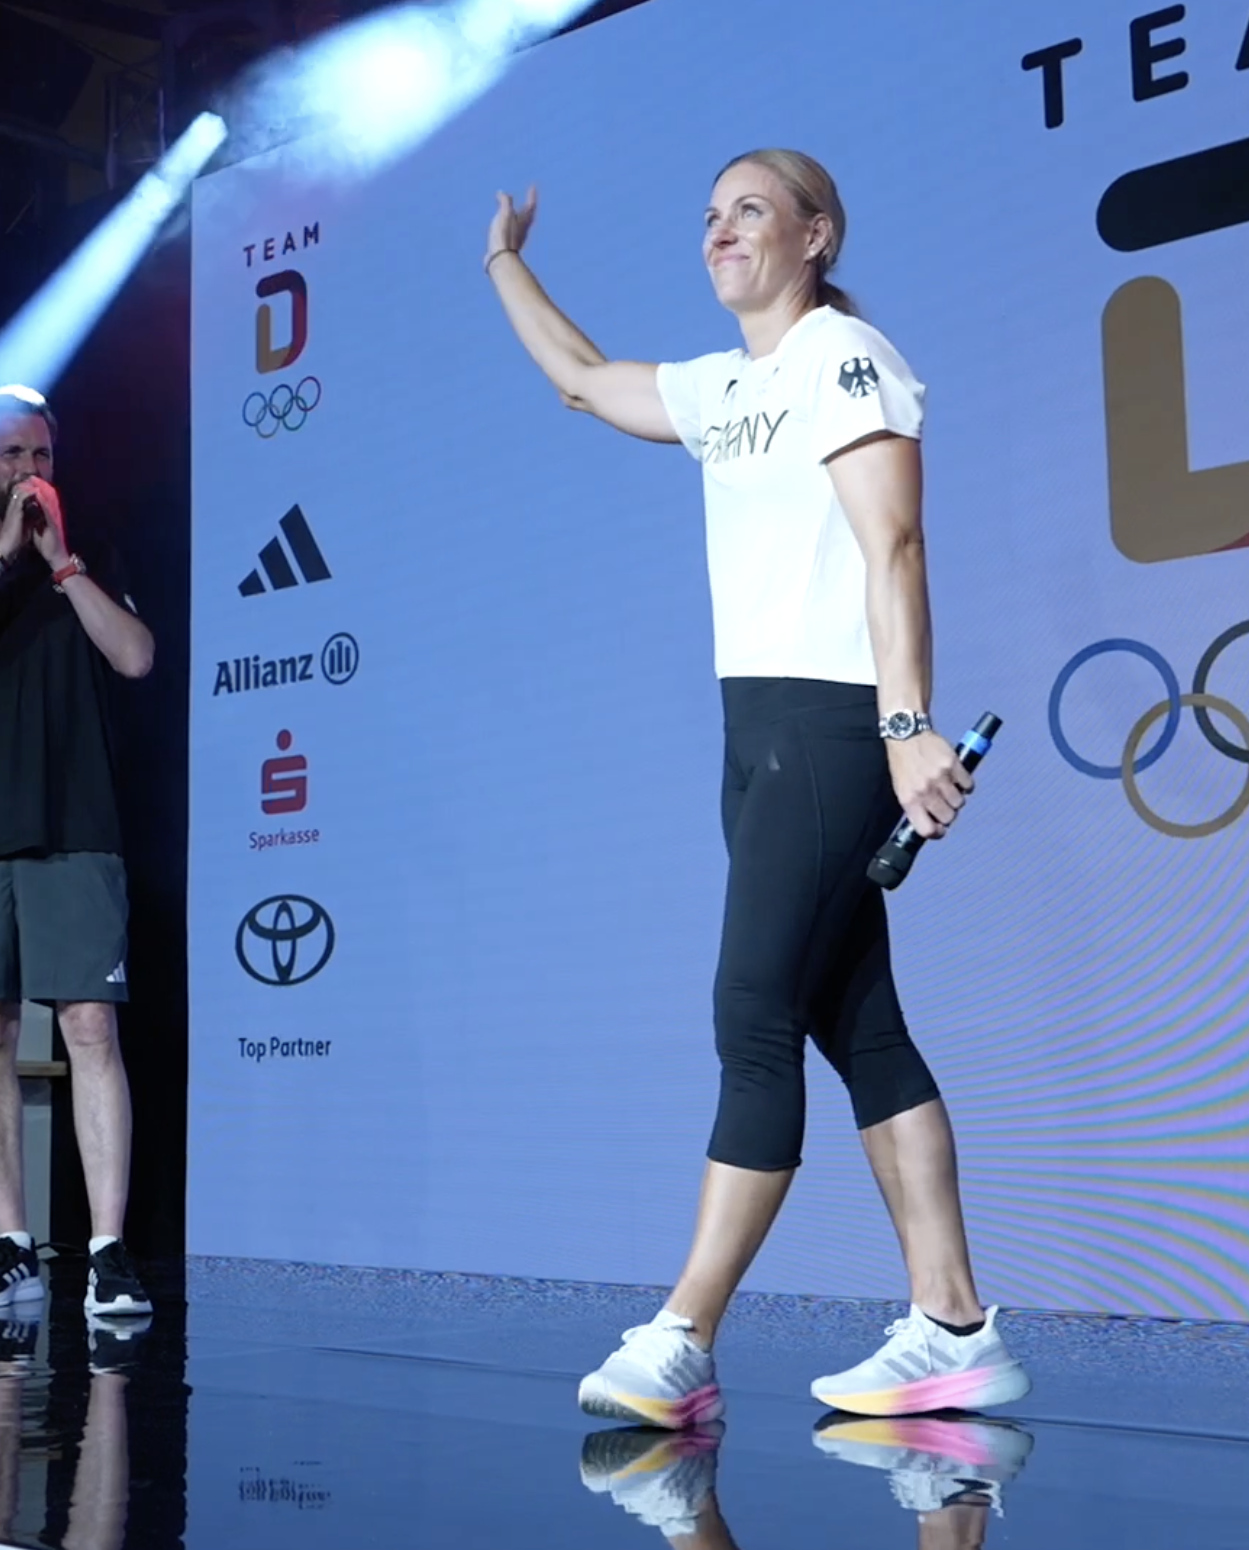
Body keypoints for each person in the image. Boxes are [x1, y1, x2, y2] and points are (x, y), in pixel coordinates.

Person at [482, 150, 1027, 1422]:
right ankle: (951, 1323)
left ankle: (682, 1335)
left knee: (753, 1013)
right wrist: (503, 260)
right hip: (756, 735)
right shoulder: (726, 387)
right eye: (708, 215)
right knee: (859, 1023)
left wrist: (905, 725)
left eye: (749, 210)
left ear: (815, 234)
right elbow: (580, 376)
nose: (719, 230)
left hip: (833, 727)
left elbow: (893, 543)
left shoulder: (845, 356)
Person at [0, 387, 156, 1321]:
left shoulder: (91, 559)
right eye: (12, 454)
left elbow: (135, 657)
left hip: (76, 825)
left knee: (90, 1025)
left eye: (42, 456)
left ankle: (107, 1251)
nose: (30, 471)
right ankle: (12, 1247)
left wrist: (61, 566)